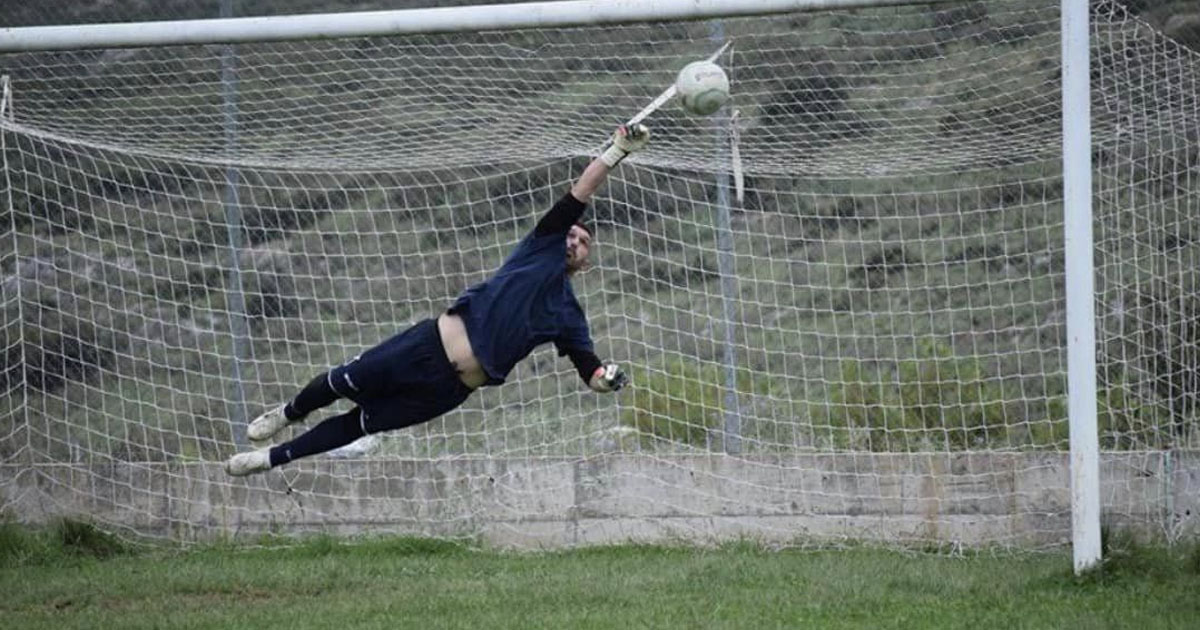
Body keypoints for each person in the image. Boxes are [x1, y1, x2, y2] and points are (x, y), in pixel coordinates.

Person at [225, 123, 650, 476]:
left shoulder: (569, 315)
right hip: (423, 345)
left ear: (585, 261)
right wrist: (616, 151)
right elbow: (581, 192)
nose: (573, 240)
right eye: (571, 233)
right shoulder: (540, 247)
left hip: (447, 389)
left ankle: (268, 460)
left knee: (356, 425)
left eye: (582, 242)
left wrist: (608, 379)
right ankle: (288, 412)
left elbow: (590, 370)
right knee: (337, 383)